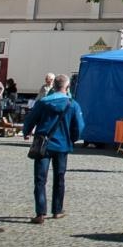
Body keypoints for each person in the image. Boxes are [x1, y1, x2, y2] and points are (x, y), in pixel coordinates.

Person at [22, 74, 84, 224]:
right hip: (62, 146)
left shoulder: (43, 103)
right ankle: (57, 210)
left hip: (44, 144)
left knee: (40, 179)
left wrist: (27, 131)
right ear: (67, 87)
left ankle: (40, 213)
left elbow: (30, 119)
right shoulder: (72, 104)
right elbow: (80, 126)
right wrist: (73, 138)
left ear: (54, 86)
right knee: (59, 178)